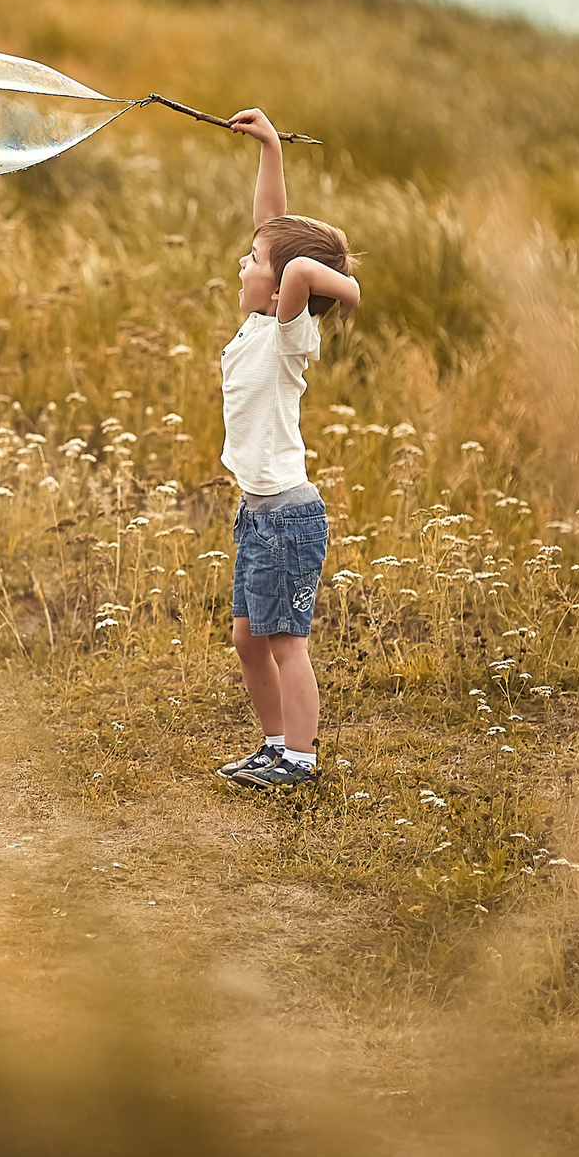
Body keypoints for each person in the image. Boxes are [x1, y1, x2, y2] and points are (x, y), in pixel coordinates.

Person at [212, 109, 359, 791]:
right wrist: (271, 147)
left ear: (280, 291)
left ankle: (300, 757)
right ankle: (274, 744)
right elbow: (277, 233)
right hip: (257, 512)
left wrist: (345, 284)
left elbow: (295, 264)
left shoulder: (290, 336)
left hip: (288, 517)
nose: (242, 260)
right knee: (248, 639)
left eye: (252, 262)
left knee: (284, 642)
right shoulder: (257, 320)